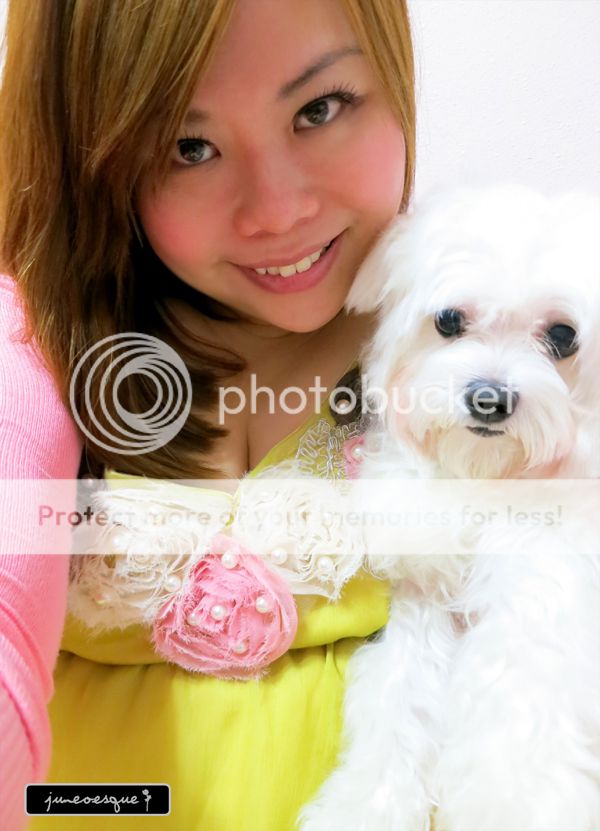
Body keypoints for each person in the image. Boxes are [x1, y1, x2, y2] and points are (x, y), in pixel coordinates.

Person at [0, 0, 415, 828]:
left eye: (320, 108)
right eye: (187, 148)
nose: (276, 210)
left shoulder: (508, 350)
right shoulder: (30, 358)